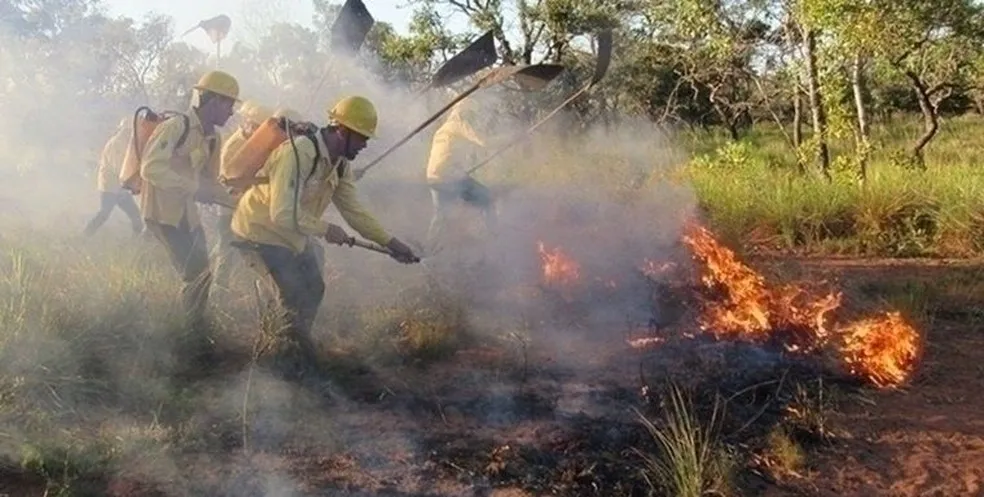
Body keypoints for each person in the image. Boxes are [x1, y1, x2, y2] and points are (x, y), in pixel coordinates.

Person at [230, 95, 418, 381]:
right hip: (258, 231)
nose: (365, 144)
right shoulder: (298, 153)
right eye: (362, 137)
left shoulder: (340, 165)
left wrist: (391, 243)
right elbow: (281, 213)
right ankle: (289, 368)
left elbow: (355, 212)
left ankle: (288, 349)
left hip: (291, 236)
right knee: (292, 298)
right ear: (342, 131)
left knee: (313, 288)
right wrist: (326, 229)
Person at [138, 70, 240, 351]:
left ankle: (192, 330)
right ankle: (184, 339)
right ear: (213, 101)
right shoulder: (176, 126)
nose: (232, 111)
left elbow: (210, 183)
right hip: (161, 213)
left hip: (187, 215)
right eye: (229, 104)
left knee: (203, 272)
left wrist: (240, 207)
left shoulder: (213, 139)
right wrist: (191, 188)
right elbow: (150, 167)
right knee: (194, 273)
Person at [211, 100, 275, 288]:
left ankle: (208, 275)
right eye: (255, 126)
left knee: (224, 247)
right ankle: (217, 293)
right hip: (230, 209)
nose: (259, 132)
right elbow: (232, 182)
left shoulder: (253, 143)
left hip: (245, 208)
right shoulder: (235, 146)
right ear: (245, 122)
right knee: (227, 252)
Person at [425, 96, 498, 252]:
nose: (473, 119)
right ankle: (495, 240)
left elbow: (447, 155)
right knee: (487, 198)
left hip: (434, 176)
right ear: (464, 112)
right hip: (449, 178)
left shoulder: (443, 129)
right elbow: (484, 142)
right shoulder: (458, 125)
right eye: (471, 115)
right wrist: (511, 139)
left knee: (441, 216)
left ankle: (428, 251)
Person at [83, 117, 144, 236]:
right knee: (104, 213)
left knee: (134, 214)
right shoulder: (117, 144)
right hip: (111, 186)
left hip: (119, 188)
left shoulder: (124, 143)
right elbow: (120, 168)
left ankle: (138, 238)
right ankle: (86, 234)